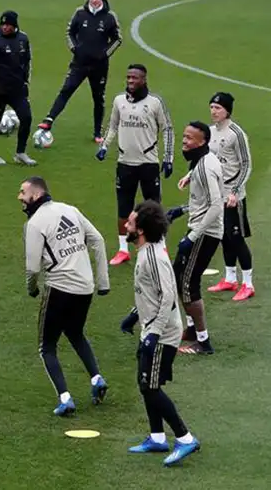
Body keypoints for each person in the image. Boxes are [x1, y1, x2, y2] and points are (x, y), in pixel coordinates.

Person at [18, 176, 110, 416]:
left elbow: (32, 268)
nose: (20, 197)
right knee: (75, 332)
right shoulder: (70, 209)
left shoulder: (34, 224)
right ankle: (97, 378)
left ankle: (65, 398)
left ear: (36, 195)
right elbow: (98, 240)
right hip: (85, 287)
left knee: (46, 346)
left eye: (23, 192)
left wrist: (31, 289)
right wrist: (103, 282)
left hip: (59, 287)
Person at [120, 200, 200, 466]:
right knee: (145, 383)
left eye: (130, 223)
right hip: (151, 327)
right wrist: (134, 315)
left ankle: (185, 438)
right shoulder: (147, 249)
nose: (126, 226)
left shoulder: (154, 257)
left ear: (141, 230)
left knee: (151, 387)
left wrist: (154, 333)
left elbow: (167, 296)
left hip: (162, 333)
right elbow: (150, 294)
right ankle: (157, 437)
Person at [96, 64, 174, 266]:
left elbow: (167, 129)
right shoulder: (119, 101)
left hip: (148, 163)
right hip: (125, 163)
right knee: (123, 207)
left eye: (135, 78)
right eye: (128, 77)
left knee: (154, 207)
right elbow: (113, 126)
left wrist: (168, 158)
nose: (130, 81)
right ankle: (123, 250)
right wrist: (104, 146)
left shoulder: (155, 102)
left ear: (144, 79)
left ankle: (160, 245)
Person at [166, 122, 223, 355]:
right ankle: (191, 329)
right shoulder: (201, 162)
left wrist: (192, 236)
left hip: (205, 233)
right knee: (178, 276)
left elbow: (216, 205)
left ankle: (203, 341)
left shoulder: (205, 167)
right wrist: (182, 210)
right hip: (199, 229)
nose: (184, 141)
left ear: (202, 142)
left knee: (188, 283)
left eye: (190, 138)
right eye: (184, 136)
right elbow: (203, 201)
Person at [37, 0, 122, 141]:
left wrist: (105, 54)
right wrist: (75, 49)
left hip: (99, 66)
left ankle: (97, 132)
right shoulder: (80, 13)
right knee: (67, 89)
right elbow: (70, 32)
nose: (94, 0)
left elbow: (117, 39)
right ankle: (49, 119)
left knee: (98, 98)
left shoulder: (110, 17)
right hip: (79, 63)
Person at [205, 92, 254, 300]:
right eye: (212, 107)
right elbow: (206, 161)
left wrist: (234, 191)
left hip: (233, 197)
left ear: (227, 111)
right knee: (224, 236)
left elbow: (246, 165)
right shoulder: (209, 132)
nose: (213, 111)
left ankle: (248, 284)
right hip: (216, 196)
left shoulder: (236, 133)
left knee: (236, 238)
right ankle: (230, 278)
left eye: (218, 108)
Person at [0, 10, 36, 166]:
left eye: (8, 25)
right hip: (0, 90)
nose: (4, 27)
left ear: (14, 25)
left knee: (26, 118)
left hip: (18, 89)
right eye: (3, 24)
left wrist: (26, 82)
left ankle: (20, 153)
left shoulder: (23, 39)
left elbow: (28, 62)